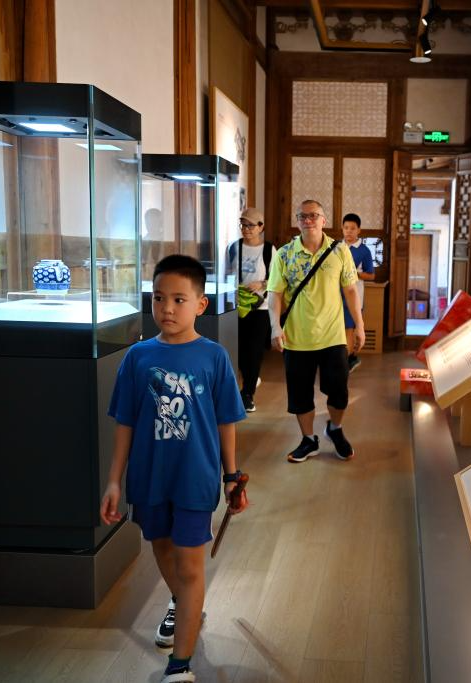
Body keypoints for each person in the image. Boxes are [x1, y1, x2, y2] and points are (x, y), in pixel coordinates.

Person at [100, 254, 247, 683]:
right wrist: (114, 480)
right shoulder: (137, 357)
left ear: (200, 304)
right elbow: (125, 423)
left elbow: (226, 421)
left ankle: (180, 664)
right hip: (149, 478)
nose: (166, 308)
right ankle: (186, 605)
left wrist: (232, 477)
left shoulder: (213, 357)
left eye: (179, 299)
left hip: (195, 479)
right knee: (161, 549)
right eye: (158, 298)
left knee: (190, 566)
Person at [268, 200, 364, 463]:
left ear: (324, 220)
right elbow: (275, 293)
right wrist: (275, 326)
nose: (308, 220)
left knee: (339, 391)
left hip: (333, 336)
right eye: (303, 216)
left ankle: (335, 428)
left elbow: (350, 290)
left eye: (314, 215)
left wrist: (359, 325)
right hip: (296, 337)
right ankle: (308, 439)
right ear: (297, 221)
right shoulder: (284, 254)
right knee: (300, 395)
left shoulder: (340, 250)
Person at [226, 207, 274, 413]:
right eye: (243, 225)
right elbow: (226, 274)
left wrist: (262, 284)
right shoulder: (234, 247)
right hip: (237, 307)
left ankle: (247, 394)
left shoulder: (269, 250)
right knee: (238, 351)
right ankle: (248, 380)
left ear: (261, 227)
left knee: (254, 352)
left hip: (260, 308)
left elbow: (278, 279)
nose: (246, 229)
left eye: (251, 225)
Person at [340, 213, 375, 373]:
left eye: (352, 228)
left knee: (349, 329)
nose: (349, 231)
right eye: (346, 228)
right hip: (335, 296)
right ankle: (346, 359)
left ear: (359, 230)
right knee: (339, 329)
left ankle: (346, 363)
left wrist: (353, 273)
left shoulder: (364, 250)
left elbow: (371, 275)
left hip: (354, 296)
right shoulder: (336, 247)